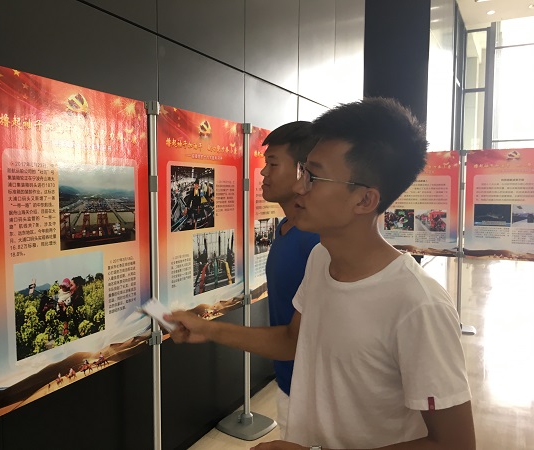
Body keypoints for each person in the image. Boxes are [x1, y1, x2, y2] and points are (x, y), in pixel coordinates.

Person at [166, 98, 475, 450]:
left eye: (313, 176)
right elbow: (293, 341)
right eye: (303, 173)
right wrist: (208, 329)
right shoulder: (320, 259)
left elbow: (456, 444)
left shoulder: (419, 304)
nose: (300, 188)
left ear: (364, 200)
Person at [259, 121, 321, 437]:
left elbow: (294, 337)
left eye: (273, 164)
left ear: (302, 171)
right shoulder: (286, 227)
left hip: (314, 395)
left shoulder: (317, 241)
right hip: (287, 382)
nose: (263, 173)